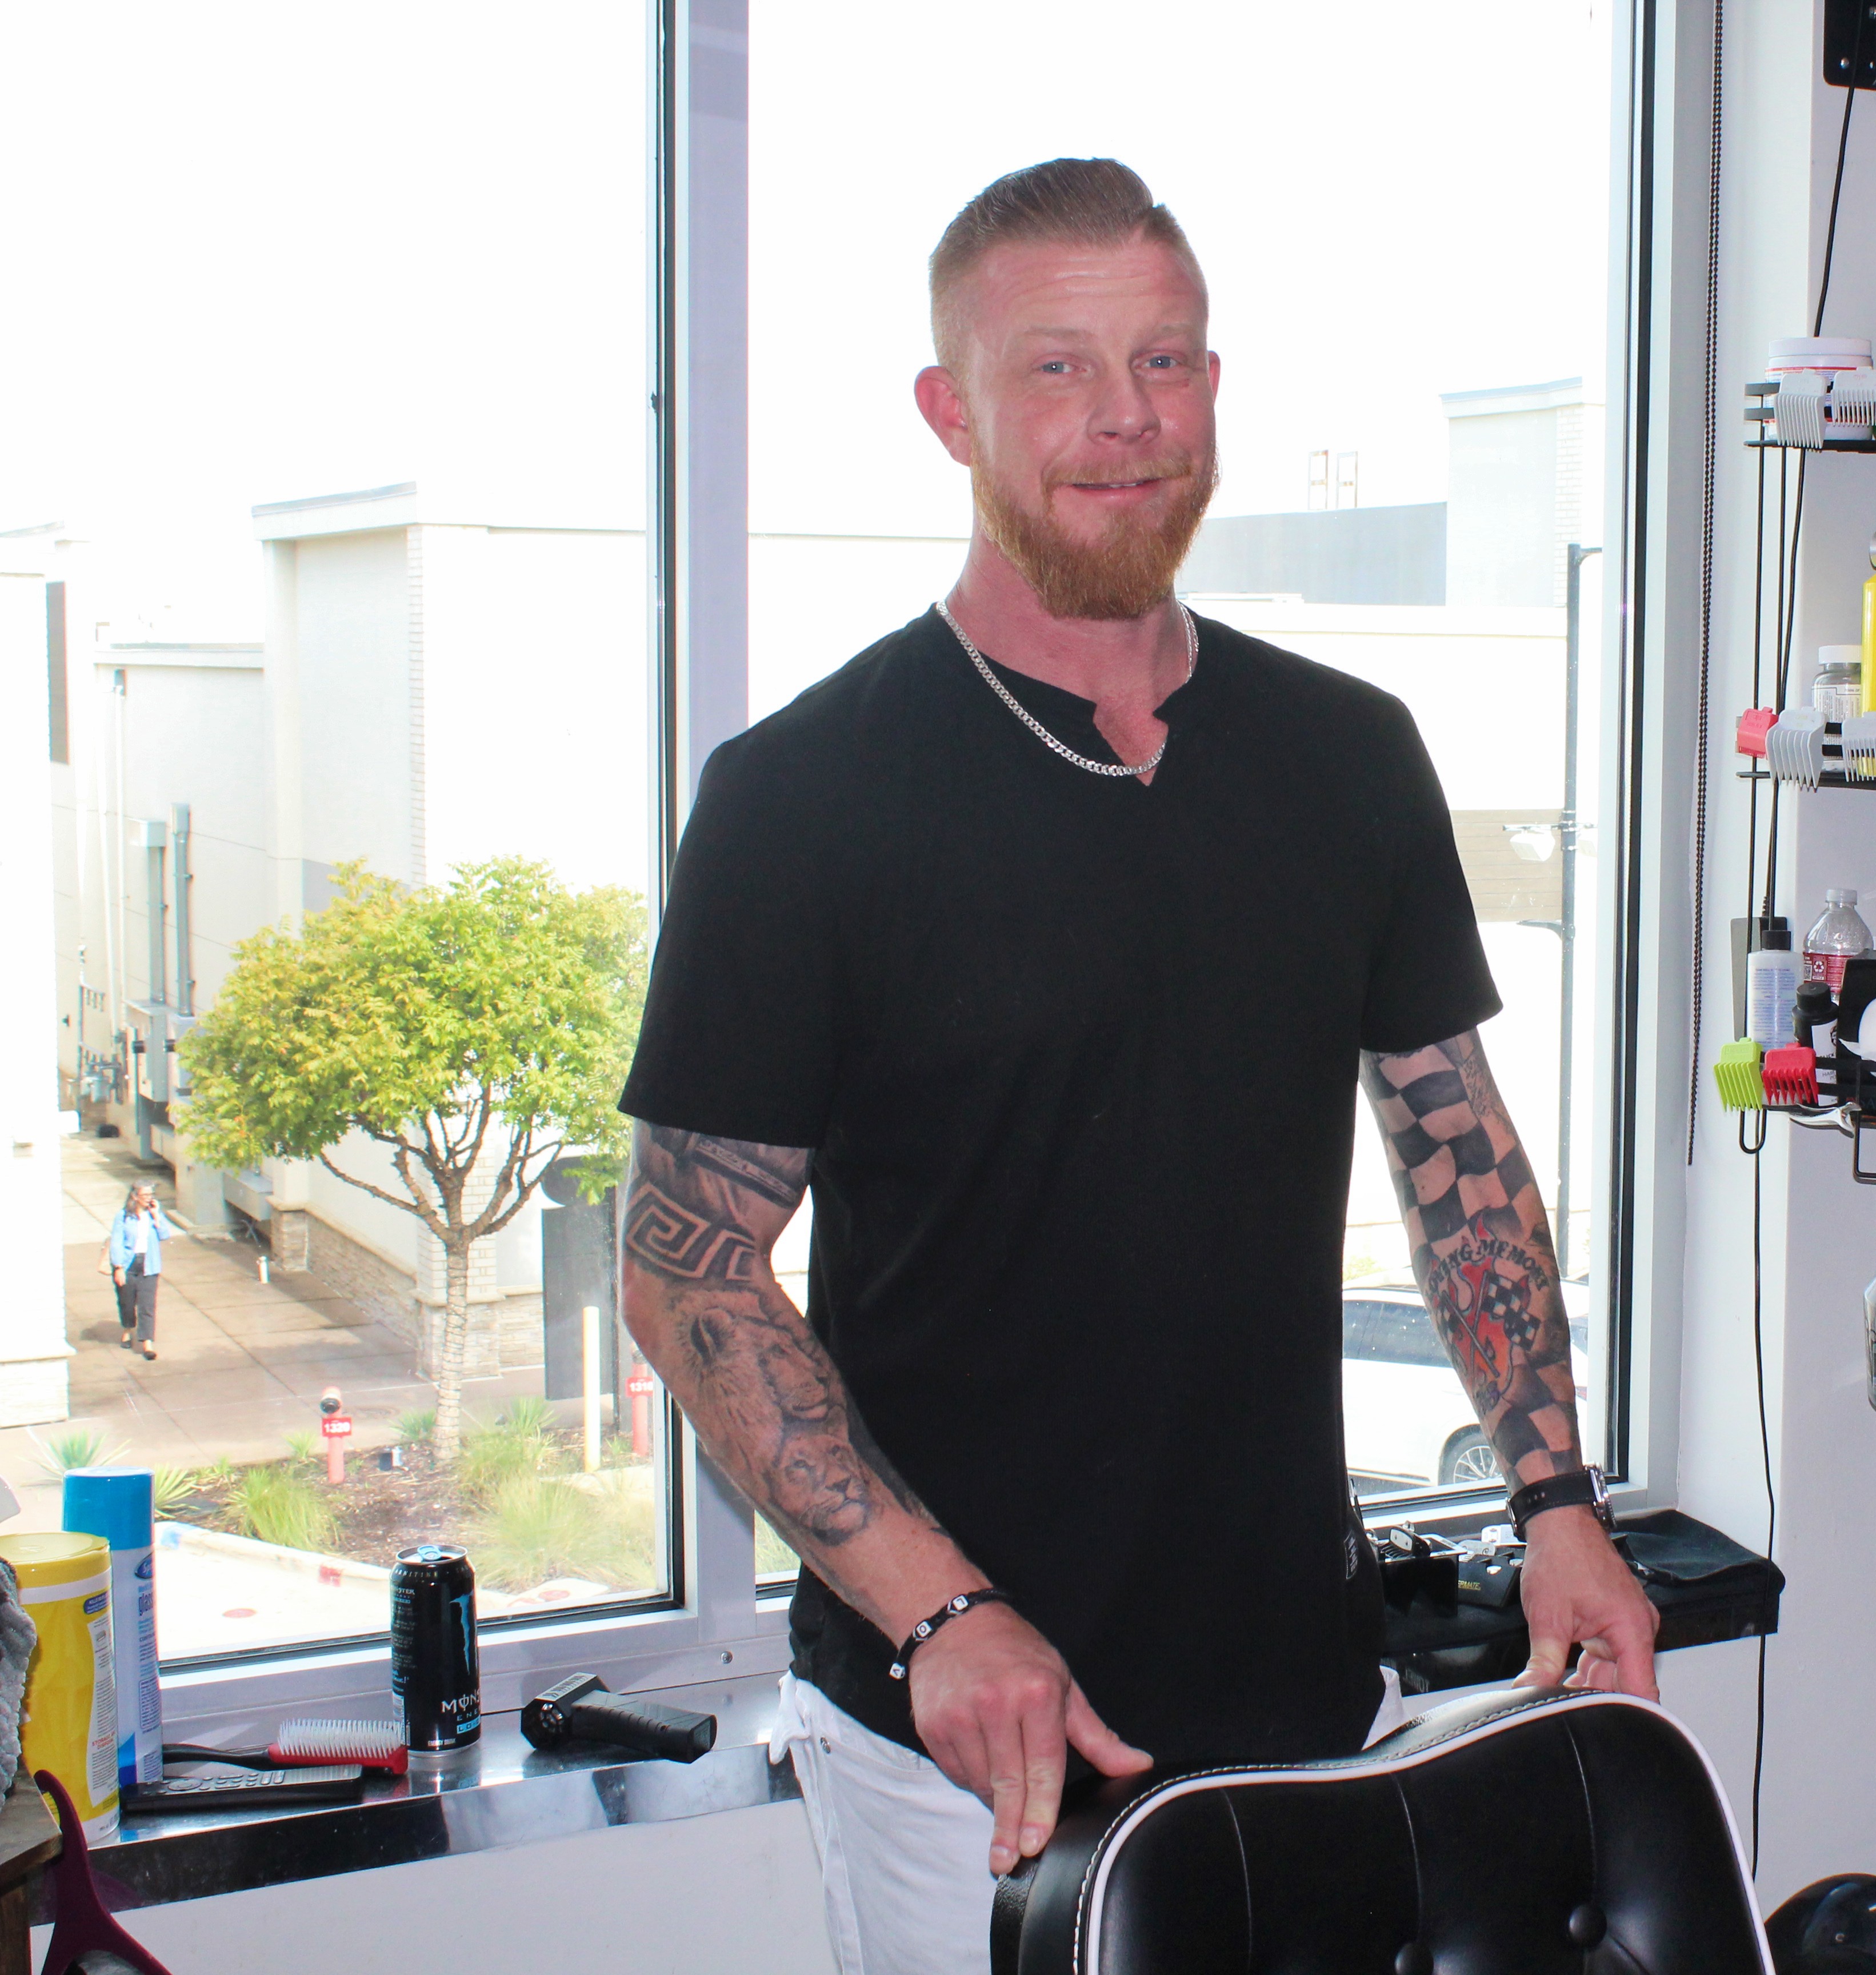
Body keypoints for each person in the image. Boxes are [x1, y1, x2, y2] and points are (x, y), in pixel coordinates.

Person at [615, 157, 1658, 1974]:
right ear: (949, 412)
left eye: (1165, 361)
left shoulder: (1348, 755)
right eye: (1059, 369)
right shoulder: (801, 799)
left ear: (1215, 390)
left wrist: (1555, 1503)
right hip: (968, 1749)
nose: (1127, 417)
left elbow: (1461, 1164)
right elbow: (686, 1269)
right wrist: (945, 1615)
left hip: (1315, 1706)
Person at [107, 1182, 169, 1361]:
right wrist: (119, 1267)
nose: (149, 1199)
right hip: (128, 1263)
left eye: (151, 1195)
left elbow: (165, 1235)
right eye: (145, 1195)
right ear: (135, 1196)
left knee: (147, 1305)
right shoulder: (123, 1216)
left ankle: (147, 1343)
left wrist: (157, 1217)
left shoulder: (153, 1215)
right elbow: (117, 1242)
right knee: (127, 1302)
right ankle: (127, 1329)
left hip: (149, 1264)